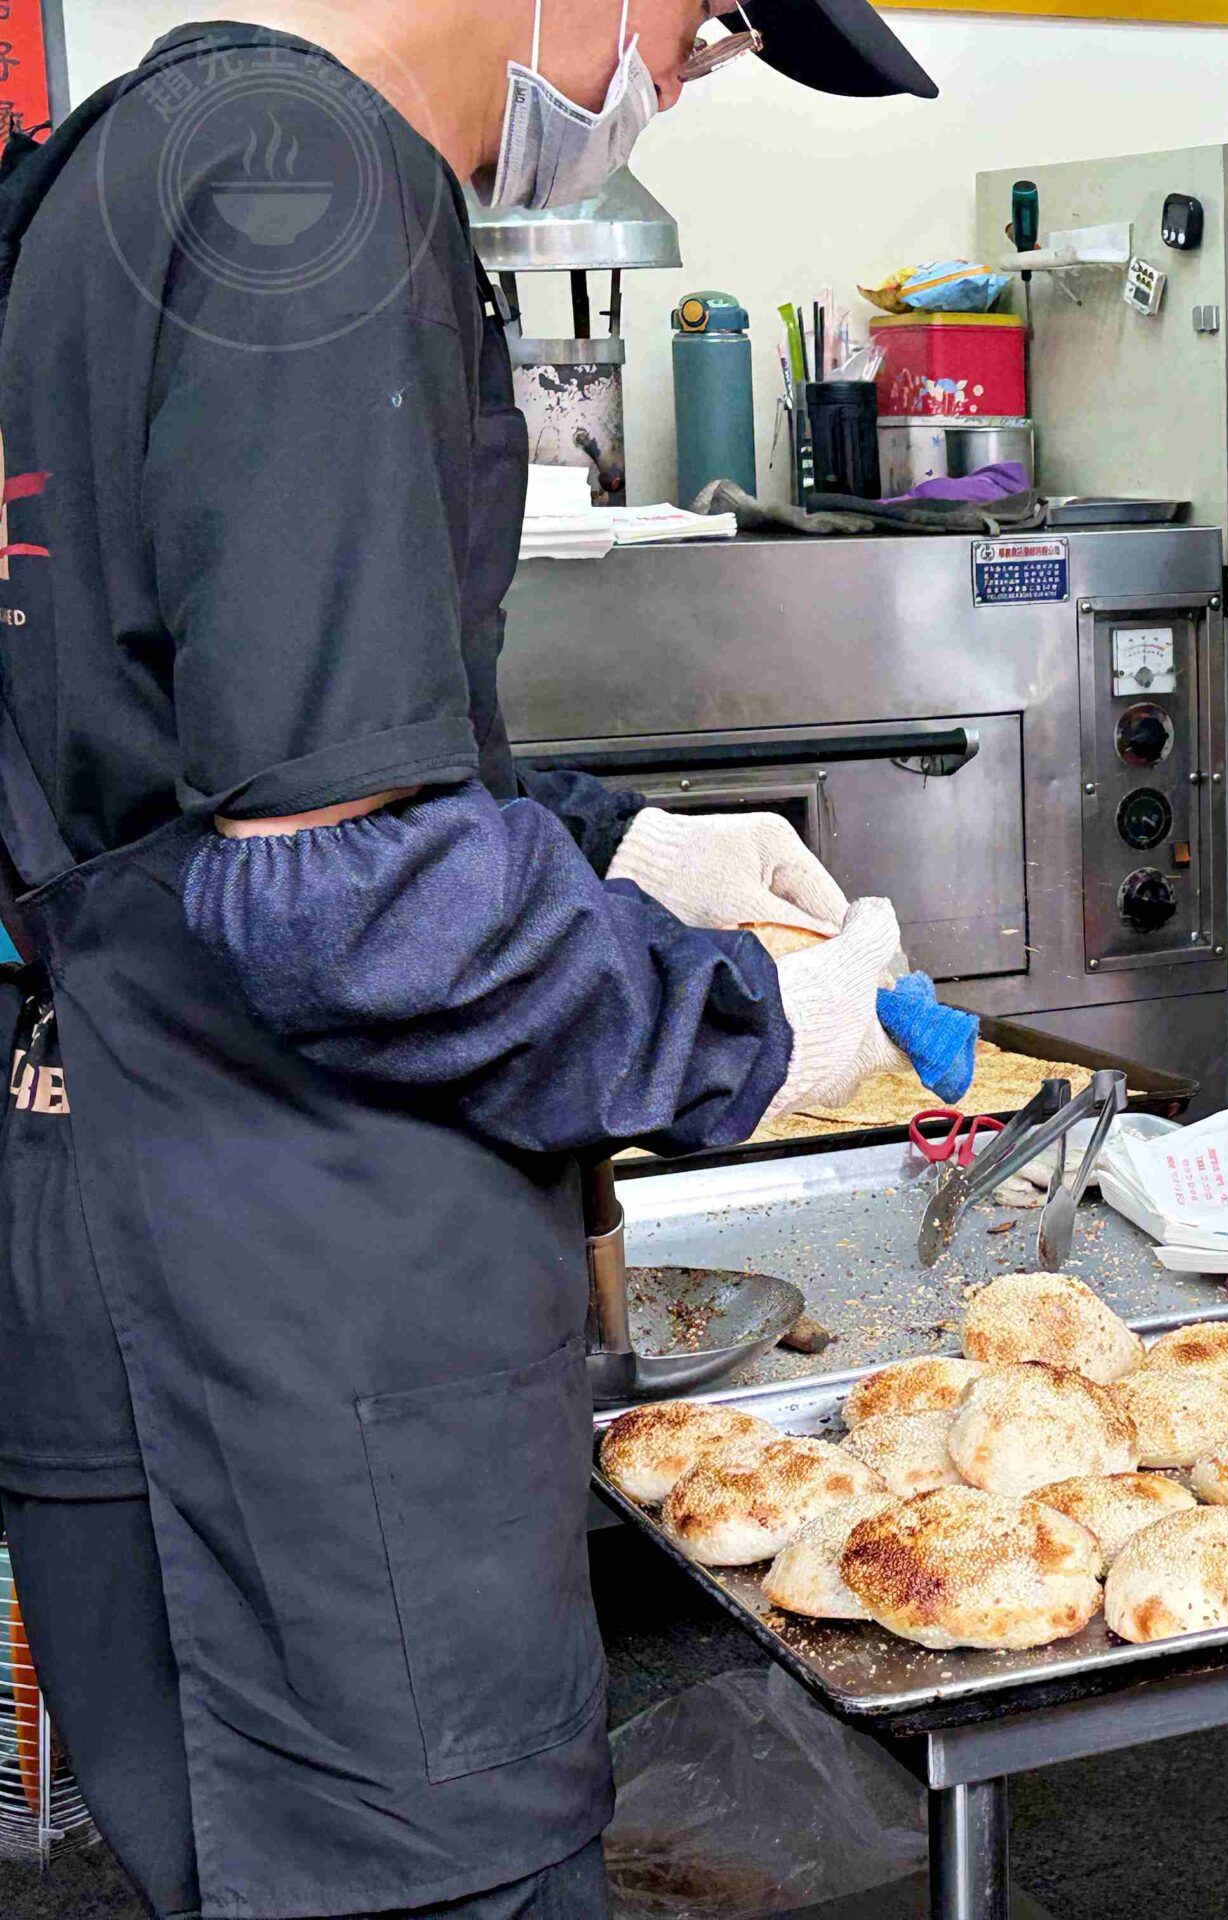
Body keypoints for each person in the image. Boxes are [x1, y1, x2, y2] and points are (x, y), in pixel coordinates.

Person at [0, 5, 946, 1918]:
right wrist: (754, 1034)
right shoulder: (314, 190)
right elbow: (339, 891)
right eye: (717, 16)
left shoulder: (132, 162)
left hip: (120, 1208)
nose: (698, 65)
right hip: (296, 1304)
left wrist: (620, 843)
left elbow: (217, 748)